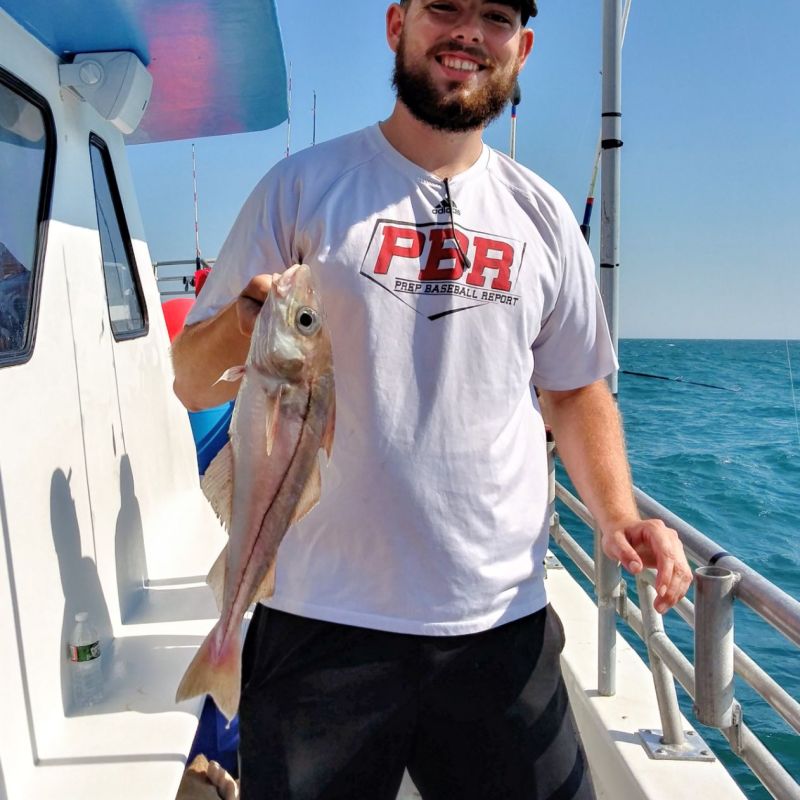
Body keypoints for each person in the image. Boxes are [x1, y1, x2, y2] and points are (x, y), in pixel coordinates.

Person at [172, 1, 693, 797]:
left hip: (500, 626)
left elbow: (577, 387)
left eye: (492, 16)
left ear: (520, 48)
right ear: (396, 25)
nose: (467, 33)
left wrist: (620, 515)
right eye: (443, 8)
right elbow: (189, 378)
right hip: (319, 618)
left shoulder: (546, 217)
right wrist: (248, 318)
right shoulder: (302, 188)